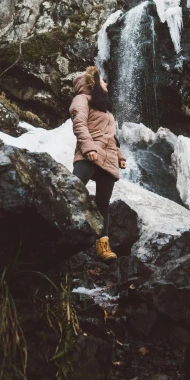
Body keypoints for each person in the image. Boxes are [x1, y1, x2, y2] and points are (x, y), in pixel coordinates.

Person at [69, 65, 127, 261]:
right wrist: (89, 148)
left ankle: (103, 248)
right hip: (90, 153)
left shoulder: (104, 107)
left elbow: (110, 136)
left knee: (103, 205)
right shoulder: (81, 99)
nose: (106, 83)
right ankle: (61, 233)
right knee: (71, 191)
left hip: (108, 158)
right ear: (92, 83)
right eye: (103, 80)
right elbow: (79, 124)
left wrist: (120, 156)